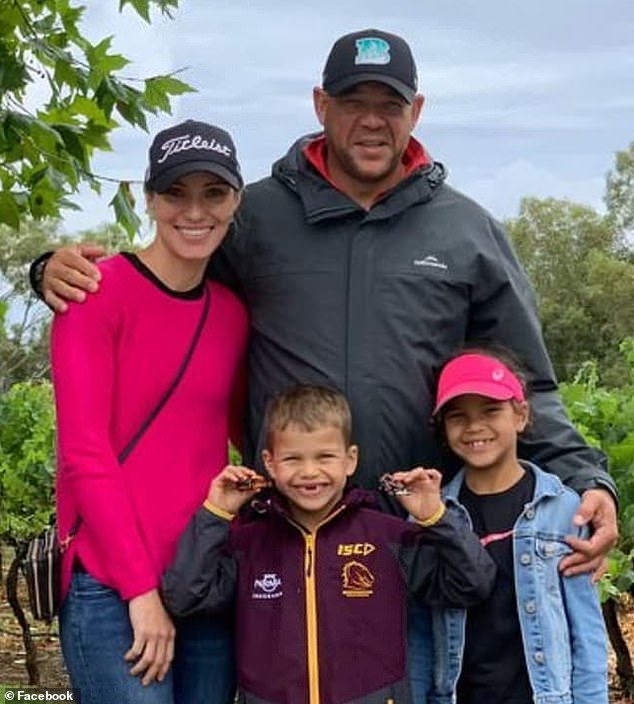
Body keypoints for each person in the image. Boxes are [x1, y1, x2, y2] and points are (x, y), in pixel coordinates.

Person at [31, 28, 617, 701]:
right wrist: (52, 269)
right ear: (319, 104)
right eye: (351, 100)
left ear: (416, 112)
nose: (372, 120)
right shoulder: (258, 217)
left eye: (390, 104)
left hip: (408, 550)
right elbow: (170, 270)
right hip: (274, 552)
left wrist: (584, 474)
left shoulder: (466, 232)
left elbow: (525, 382)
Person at [51, 120, 248, 704]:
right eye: (175, 193)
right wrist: (140, 592)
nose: (194, 211)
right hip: (113, 586)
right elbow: (84, 455)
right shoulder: (93, 296)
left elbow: (234, 431)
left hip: (204, 580)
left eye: (213, 193)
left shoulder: (233, 314)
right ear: (149, 198)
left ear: (235, 201)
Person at [161, 384, 497, 704]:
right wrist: (216, 512)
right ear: (270, 463)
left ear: (350, 460)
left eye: (325, 457)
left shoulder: (389, 538)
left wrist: (435, 517)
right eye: (293, 459)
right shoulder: (248, 543)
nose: (310, 472)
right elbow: (184, 596)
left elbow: (473, 584)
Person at [429, 349, 608, 704]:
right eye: (458, 416)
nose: (474, 426)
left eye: (491, 410)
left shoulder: (564, 511)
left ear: (521, 415)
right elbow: (420, 632)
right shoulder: (435, 516)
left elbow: (586, 634)